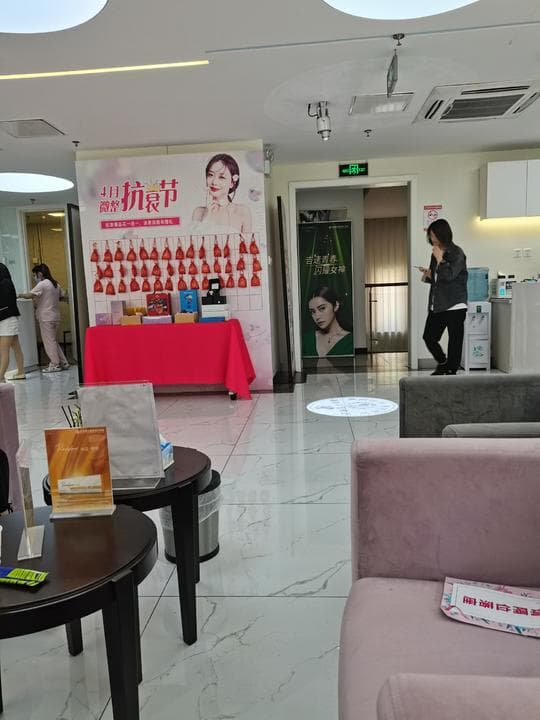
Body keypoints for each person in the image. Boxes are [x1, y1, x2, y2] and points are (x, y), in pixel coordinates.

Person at [418, 218, 468, 375]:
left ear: (442, 234)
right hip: (438, 303)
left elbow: (450, 275)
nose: (431, 239)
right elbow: (438, 278)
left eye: (433, 235)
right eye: (430, 235)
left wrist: (441, 259)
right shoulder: (435, 253)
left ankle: (451, 369)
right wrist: (428, 274)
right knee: (429, 337)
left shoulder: (457, 253)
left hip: (455, 304)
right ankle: (443, 362)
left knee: (455, 340)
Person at [18, 264, 69, 373]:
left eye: (35, 275)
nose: (34, 277)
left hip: (46, 317)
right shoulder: (56, 284)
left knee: (49, 342)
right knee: (53, 341)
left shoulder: (43, 284)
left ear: (40, 274)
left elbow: (30, 295)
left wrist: (19, 295)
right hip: (55, 316)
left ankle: (55, 364)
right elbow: (63, 296)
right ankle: (63, 362)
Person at [192, 153, 252, 233]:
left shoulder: (242, 211)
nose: (214, 182)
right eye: (210, 175)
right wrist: (207, 215)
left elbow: (249, 241)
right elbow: (195, 240)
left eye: (221, 177)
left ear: (232, 183)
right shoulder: (199, 212)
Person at [303, 286, 353, 357]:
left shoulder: (351, 341)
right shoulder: (307, 339)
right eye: (313, 312)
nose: (317, 316)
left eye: (322, 308)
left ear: (336, 306)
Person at [0, 263, 25, 382]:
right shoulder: (8, 283)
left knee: (3, 350)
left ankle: (0, 377)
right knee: (15, 346)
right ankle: (21, 371)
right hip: (9, 319)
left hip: (7, 320)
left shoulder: (4, 284)